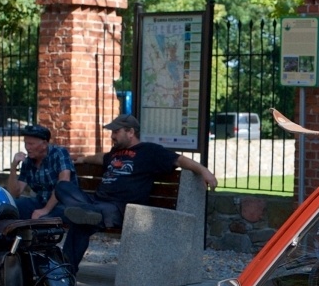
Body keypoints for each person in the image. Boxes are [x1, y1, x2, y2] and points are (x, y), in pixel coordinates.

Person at [53, 113, 217, 273]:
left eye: (116, 132)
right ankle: (85, 212)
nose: (112, 136)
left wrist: (204, 171)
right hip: (95, 202)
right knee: (63, 187)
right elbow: (100, 158)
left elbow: (179, 160)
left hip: (119, 208)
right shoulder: (114, 153)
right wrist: (84, 159)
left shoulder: (149, 151)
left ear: (130, 132)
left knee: (81, 222)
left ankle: (65, 272)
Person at [3, 123, 75, 219]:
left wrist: (45, 210)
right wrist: (13, 166)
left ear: (44, 144)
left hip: (65, 204)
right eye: (25, 143)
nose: (27, 147)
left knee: (44, 218)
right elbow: (15, 193)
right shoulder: (28, 161)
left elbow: (63, 184)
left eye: (31, 144)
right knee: (7, 208)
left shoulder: (59, 153)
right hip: (40, 203)